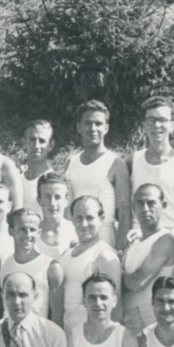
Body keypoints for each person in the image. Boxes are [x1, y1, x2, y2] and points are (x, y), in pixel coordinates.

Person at [62, 102, 130, 248]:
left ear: (106, 128)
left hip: (104, 242)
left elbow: (124, 213)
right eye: (87, 123)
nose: (93, 128)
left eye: (98, 124)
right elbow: (66, 209)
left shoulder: (116, 164)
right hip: (73, 241)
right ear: (78, 127)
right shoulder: (70, 162)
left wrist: (119, 250)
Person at [54, 196, 120, 331]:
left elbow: (116, 308)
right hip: (67, 330)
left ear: (101, 219)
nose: (84, 224)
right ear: (72, 220)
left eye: (90, 218)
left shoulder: (105, 256)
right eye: (79, 218)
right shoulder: (67, 254)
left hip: (92, 333)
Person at [120, 185, 174, 335]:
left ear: (163, 206)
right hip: (128, 317)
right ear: (133, 207)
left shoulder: (166, 241)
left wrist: (112, 266)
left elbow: (136, 282)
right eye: (140, 203)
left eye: (151, 203)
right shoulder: (135, 239)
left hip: (149, 320)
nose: (145, 208)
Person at [128, 96, 174, 235]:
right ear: (143, 126)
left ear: (172, 125)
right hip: (139, 235)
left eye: (162, 120)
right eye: (151, 120)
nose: (156, 125)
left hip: (173, 236)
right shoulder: (132, 161)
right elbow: (124, 207)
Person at [0, 208, 62, 319]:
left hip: (38, 333)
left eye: (32, 229)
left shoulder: (51, 267)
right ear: (11, 231)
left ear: (39, 232)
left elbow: (57, 313)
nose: (27, 234)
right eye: (22, 229)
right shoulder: (2, 265)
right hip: (7, 333)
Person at [35, 173, 78, 260]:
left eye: (57, 197)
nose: (52, 203)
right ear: (39, 200)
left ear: (66, 201)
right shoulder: (32, 233)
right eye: (47, 197)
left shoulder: (76, 231)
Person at [20, 120, 55, 217]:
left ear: (51, 146)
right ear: (24, 143)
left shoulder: (54, 183)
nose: (36, 146)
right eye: (32, 140)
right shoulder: (16, 178)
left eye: (42, 141)